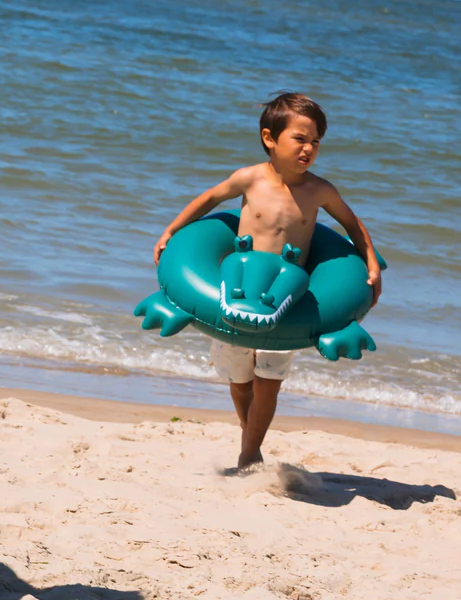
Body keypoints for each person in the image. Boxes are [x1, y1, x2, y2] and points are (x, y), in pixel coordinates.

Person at [152, 93, 382, 470]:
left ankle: (248, 453)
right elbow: (209, 199)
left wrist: (371, 262)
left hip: (284, 302)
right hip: (238, 293)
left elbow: (352, 225)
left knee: (269, 381)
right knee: (240, 379)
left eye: (316, 141)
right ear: (269, 138)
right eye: (300, 138)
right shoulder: (250, 178)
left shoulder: (319, 190)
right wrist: (171, 231)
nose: (309, 148)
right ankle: (251, 438)